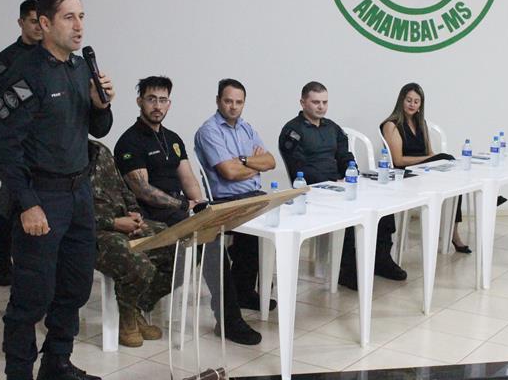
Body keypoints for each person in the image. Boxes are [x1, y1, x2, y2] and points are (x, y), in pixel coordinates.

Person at [0, 0, 114, 380]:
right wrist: (27, 203)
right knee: (31, 297)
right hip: (41, 196)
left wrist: (100, 103)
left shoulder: (79, 69)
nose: (79, 26)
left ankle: (57, 362)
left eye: (82, 16)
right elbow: (3, 152)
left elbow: (98, 129)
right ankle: (19, 371)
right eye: (68, 17)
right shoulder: (27, 75)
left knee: (75, 286)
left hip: (79, 195)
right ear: (44, 24)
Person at [113, 76, 262, 345]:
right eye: (151, 99)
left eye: (162, 100)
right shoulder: (130, 142)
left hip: (178, 212)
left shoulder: (173, 139)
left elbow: (189, 180)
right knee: (210, 243)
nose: (157, 106)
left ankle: (227, 318)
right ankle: (229, 321)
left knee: (213, 231)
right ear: (139, 102)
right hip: (148, 216)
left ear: (169, 104)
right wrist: (184, 206)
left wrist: (201, 205)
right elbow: (143, 191)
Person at [279, 81, 406, 291]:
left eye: (325, 102)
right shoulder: (293, 131)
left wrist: (351, 171)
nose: (321, 107)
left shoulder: (332, 128)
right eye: (315, 102)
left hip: (340, 184)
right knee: (348, 212)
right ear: (303, 103)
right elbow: (298, 168)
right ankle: (346, 271)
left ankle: (381, 259)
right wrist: (332, 182)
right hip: (315, 190)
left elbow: (345, 155)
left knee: (383, 204)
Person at [194, 78, 276, 311]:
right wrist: (254, 165)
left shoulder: (246, 128)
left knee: (280, 217)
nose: (233, 106)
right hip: (225, 199)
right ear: (218, 100)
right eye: (228, 101)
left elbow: (270, 161)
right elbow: (228, 172)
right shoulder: (209, 131)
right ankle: (240, 293)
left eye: (238, 102)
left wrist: (242, 161)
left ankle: (247, 292)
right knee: (263, 225)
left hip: (252, 193)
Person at [88, 140, 173, 348]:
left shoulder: (99, 149)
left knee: (176, 246)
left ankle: (135, 306)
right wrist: (114, 223)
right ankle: (127, 316)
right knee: (138, 263)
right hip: (94, 231)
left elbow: (123, 189)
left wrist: (135, 213)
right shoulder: (60, 156)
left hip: (124, 221)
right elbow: (67, 212)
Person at [0, 0, 42, 287]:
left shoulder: (54, 56)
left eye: (40, 20)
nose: (37, 26)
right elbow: (2, 103)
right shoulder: (7, 59)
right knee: (9, 205)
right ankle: (2, 265)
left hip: (47, 147)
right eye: (32, 21)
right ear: (21, 22)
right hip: (16, 146)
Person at [381, 83, 470, 253]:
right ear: (401, 101)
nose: (412, 104)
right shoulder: (391, 125)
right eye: (409, 100)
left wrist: (435, 161)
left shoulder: (421, 123)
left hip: (425, 172)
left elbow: (430, 152)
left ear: (421, 105)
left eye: (416, 101)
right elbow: (398, 160)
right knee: (448, 159)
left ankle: (453, 232)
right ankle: (453, 232)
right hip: (405, 174)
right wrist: (433, 159)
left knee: (453, 174)